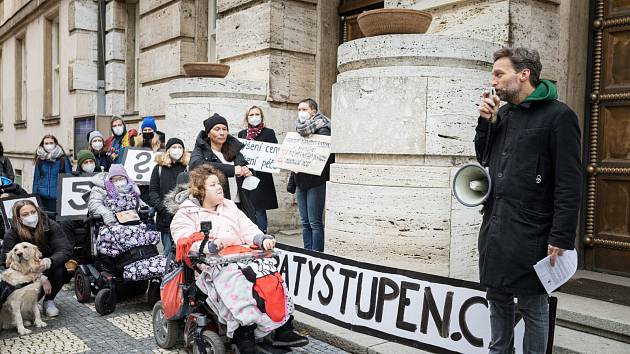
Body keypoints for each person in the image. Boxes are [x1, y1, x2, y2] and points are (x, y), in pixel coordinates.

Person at [475, 47, 582, 354]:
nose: (493, 81)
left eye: (499, 73)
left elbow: (569, 182)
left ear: (523, 75)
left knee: (534, 306)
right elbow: (483, 157)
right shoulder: (503, 113)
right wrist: (486, 123)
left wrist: (561, 235)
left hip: (534, 232)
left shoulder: (560, 116)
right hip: (496, 227)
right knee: (497, 298)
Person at [168, 165, 308, 354]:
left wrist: (261, 239)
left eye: (219, 183)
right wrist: (207, 245)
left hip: (242, 256)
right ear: (200, 190)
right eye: (213, 185)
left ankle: (283, 327)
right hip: (210, 266)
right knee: (239, 281)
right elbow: (183, 238)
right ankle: (245, 336)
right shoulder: (186, 213)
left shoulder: (230, 206)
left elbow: (247, 228)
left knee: (270, 274)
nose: (219, 187)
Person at [87, 164, 164, 280]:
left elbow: (140, 203)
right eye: (115, 179)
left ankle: (146, 261)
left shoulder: (132, 189)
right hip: (111, 224)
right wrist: (107, 214)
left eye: (121, 178)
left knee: (145, 232)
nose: (119, 181)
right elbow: (94, 204)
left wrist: (145, 209)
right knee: (121, 235)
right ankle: (125, 262)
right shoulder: (100, 189)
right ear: (110, 179)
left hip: (133, 223)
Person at [1, 200, 72, 317]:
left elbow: (65, 250)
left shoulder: (51, 225)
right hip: (23, 273)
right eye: (25, 214)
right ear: (18, 218)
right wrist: (41, 278)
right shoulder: (11, 234)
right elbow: (6, 263)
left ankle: (49, 300)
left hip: (46, 266)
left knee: (61, 270)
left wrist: (48, 262)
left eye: (33, 212)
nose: (31, 216)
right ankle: (27, 305)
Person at [287, 98, 333, 252]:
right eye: (299, 109)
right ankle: (307, 252)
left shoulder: (324, 129)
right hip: (301, 181)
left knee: (315, 222)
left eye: (304, 109)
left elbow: (325, 159)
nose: (301, 113)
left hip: (316, 182)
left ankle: (317, 254)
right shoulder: (299, 130)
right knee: (305, 222)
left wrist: (306, 164)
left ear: (313, 111)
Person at [189, 113, 255, 221]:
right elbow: (196, 165)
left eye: (224, 129)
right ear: (209, 133)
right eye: (217, 129)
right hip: (217, 207)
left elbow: (245, 166)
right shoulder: (201, 150)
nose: (221, 132)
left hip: (240, 204)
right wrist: (232, 170)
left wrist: (249, 171)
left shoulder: (233, 150)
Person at [237, 106, 279, 233]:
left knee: (260, 209)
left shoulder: (269, 133)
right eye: (251, 115)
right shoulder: (242, 134)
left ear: (261, 117)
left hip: (262, 178)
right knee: (246, 206)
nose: (254, 117)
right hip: (245, 176)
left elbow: (274, 153)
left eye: (257, 114)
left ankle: (262, 234)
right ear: (247, 118)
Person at [148, 138, 189, 259]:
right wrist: (161, 208)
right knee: (168, 252)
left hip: (185, 215)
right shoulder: (159, 168)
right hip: (165, 217)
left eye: (180, 147)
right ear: (167, 150)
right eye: (174, 147)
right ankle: (168, 276)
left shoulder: (188, 168)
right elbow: (153, 190)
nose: (177, 150)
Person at [33, 135, 72, 213]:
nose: (49, 145)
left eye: (51, 143)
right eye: (46, 143)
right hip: (42, 197)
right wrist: (34, 197)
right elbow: (36, 179)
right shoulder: (40, 159)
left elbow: (68, 177)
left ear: (55, 144)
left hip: (57, 198)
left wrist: (68, 196)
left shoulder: (63, 159)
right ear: (42, 145)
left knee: (56, 222)